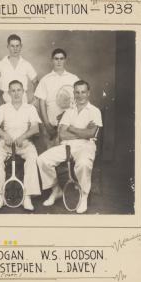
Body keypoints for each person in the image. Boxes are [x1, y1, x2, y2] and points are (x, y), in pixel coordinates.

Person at [37, 80, 102, 214]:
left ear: (88, 93)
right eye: (77, 92)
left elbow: (91, 133)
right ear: (74, 93)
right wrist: (82, 132)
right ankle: (56, 190)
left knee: (83, 164)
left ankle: (84, 195)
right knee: (42, 159)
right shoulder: (69, 111)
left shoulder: (95, 111)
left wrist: (71, 128)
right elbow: (62, 134)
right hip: (67, 145)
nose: (80, 95)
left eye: (83, 92)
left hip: (86, 146)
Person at [0, 80, 41, 211]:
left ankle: (27, 197)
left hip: (24, 143)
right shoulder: (3, 108)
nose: (16, 93)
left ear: (23, 92)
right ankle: (0, 196)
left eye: (19, 90)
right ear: (8, 93)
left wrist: (22, 137)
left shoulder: (30, 108)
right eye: (13, 90)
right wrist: (5, 136)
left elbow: (35, 129)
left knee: (33, 158)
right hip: (5, 143)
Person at [34, 48, 79, 150]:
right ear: (52, 60)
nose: (59, 61)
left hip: (69, 125)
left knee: (68, 153)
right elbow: (41, 103)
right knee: (51, 155)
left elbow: (79, 100)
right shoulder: (45, 79)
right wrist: (47, 125)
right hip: (52, 125)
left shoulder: (74, 78)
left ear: (65, 60)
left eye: (61, 59)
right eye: (56, 59)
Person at [0, 34, 38, 105]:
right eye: (12, 46)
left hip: (22, 100)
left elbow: (36, 82)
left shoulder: (26, 64)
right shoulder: (0, 64)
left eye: (17, 46)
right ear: (8, 46)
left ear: (21, 46)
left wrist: (34, 99)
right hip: (5, 100)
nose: (15, 49)